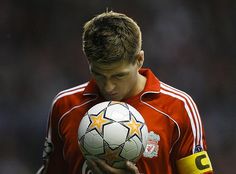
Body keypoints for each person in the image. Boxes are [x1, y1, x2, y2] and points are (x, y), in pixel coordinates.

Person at [37, 11, 213, 174]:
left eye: (119, 76)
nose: (108, 87)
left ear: (139, 60)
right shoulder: (65, 105)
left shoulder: (178, 107)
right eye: (98, 74)